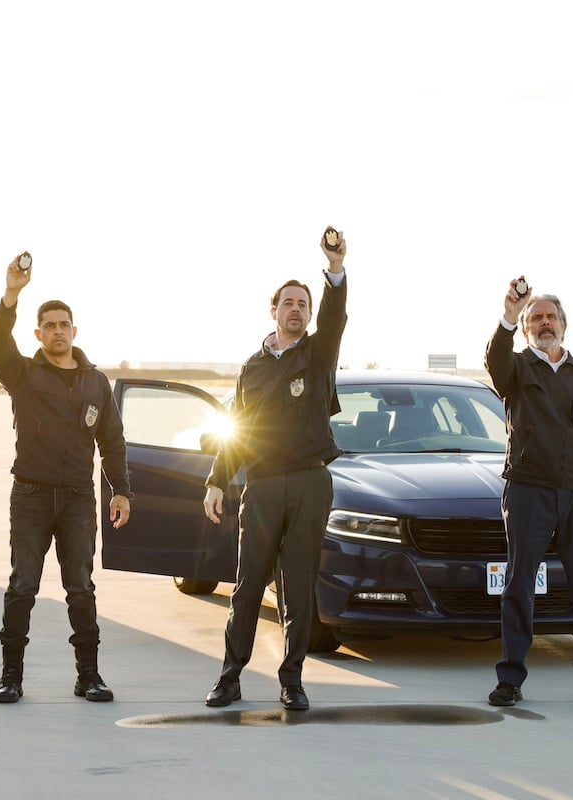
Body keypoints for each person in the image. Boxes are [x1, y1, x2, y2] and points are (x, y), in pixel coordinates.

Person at [201, 230, 348, 711]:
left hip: (309, 482)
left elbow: (334, 316)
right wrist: (218, 481)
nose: (297, 310)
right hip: (262, 487)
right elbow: (237, 429)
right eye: (289, 302)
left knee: (298, 588)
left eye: (303, 303)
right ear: (274, 311)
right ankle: (230, 676)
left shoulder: (318, 352)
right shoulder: (252, 367)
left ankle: (292, 680)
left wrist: (334, 269)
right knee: (247, 586)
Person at [0, 253, 133, 704]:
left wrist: (121, 490)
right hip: (29, 495)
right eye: (48, 324)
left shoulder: (95, 383)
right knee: (23, 585)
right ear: (38, 333)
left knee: (81, 587)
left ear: (74, 330)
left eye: (63, 323)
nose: (56, 330)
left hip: (76, 499)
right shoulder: (24, 375)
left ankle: (88, 676)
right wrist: (11, 295)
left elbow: (113, 441)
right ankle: (11, 677)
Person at [484, 280, 573, 708]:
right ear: (527, 328)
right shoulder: (515, 370)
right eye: (536, 318)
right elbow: (494, 359)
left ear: (564, 325)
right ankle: (510, 679)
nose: (544, 323)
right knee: (519, 585)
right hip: (528, 491)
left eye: (550, 317)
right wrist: (507, 316)